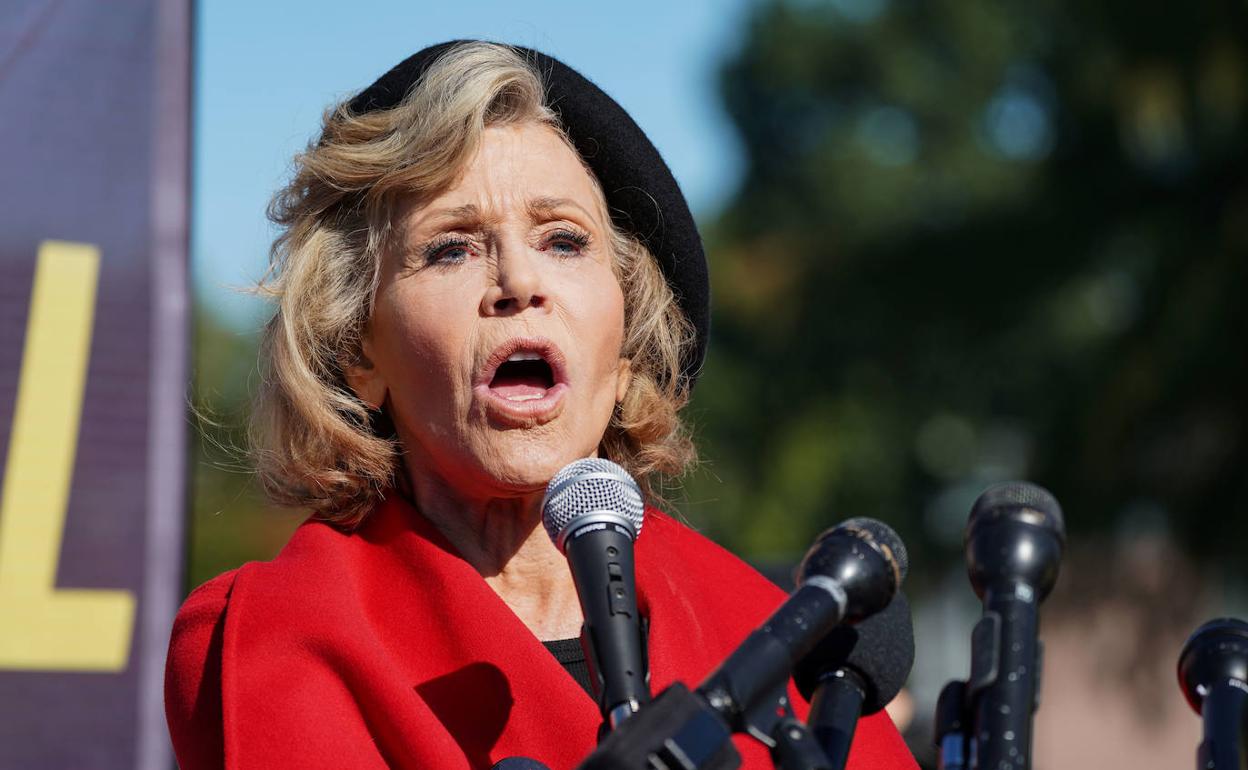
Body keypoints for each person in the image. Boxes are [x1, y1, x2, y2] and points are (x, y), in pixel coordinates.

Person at [164, 40, 917, 769]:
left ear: (625, 353)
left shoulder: (773, 640)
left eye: (563, 240)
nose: (519, 280)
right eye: (450, 248)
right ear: (359, 353)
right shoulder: (270, 637)